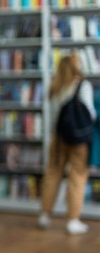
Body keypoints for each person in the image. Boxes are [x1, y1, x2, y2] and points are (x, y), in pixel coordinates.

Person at [38, 53, 97, 235]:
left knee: (53, 174)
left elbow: (52, 118)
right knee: (77, 177)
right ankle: (72, 220)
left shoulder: (54, 87)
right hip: (79, 140)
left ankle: (45, 215)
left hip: (58, 138)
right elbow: (91, 114)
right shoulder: (83, 85)